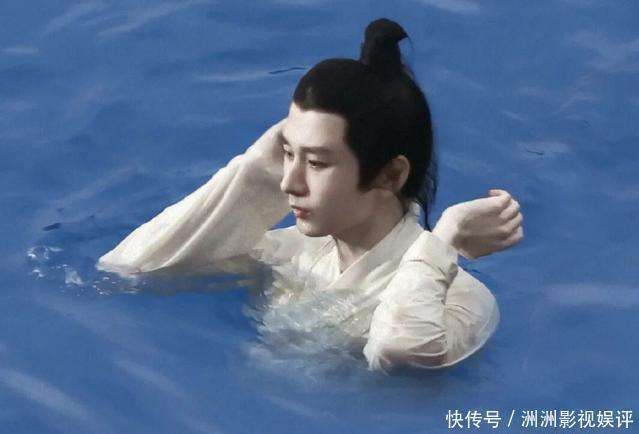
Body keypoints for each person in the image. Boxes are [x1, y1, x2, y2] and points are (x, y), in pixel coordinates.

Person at [97, 18, 523, 373]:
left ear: (391, 174)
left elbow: (400, 352)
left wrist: (443, 242)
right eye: (287, 155)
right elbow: (132, 268)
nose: (289, 183)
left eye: (317, 163)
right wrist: (253, 175)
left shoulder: (465, 300)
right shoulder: (289, 254)